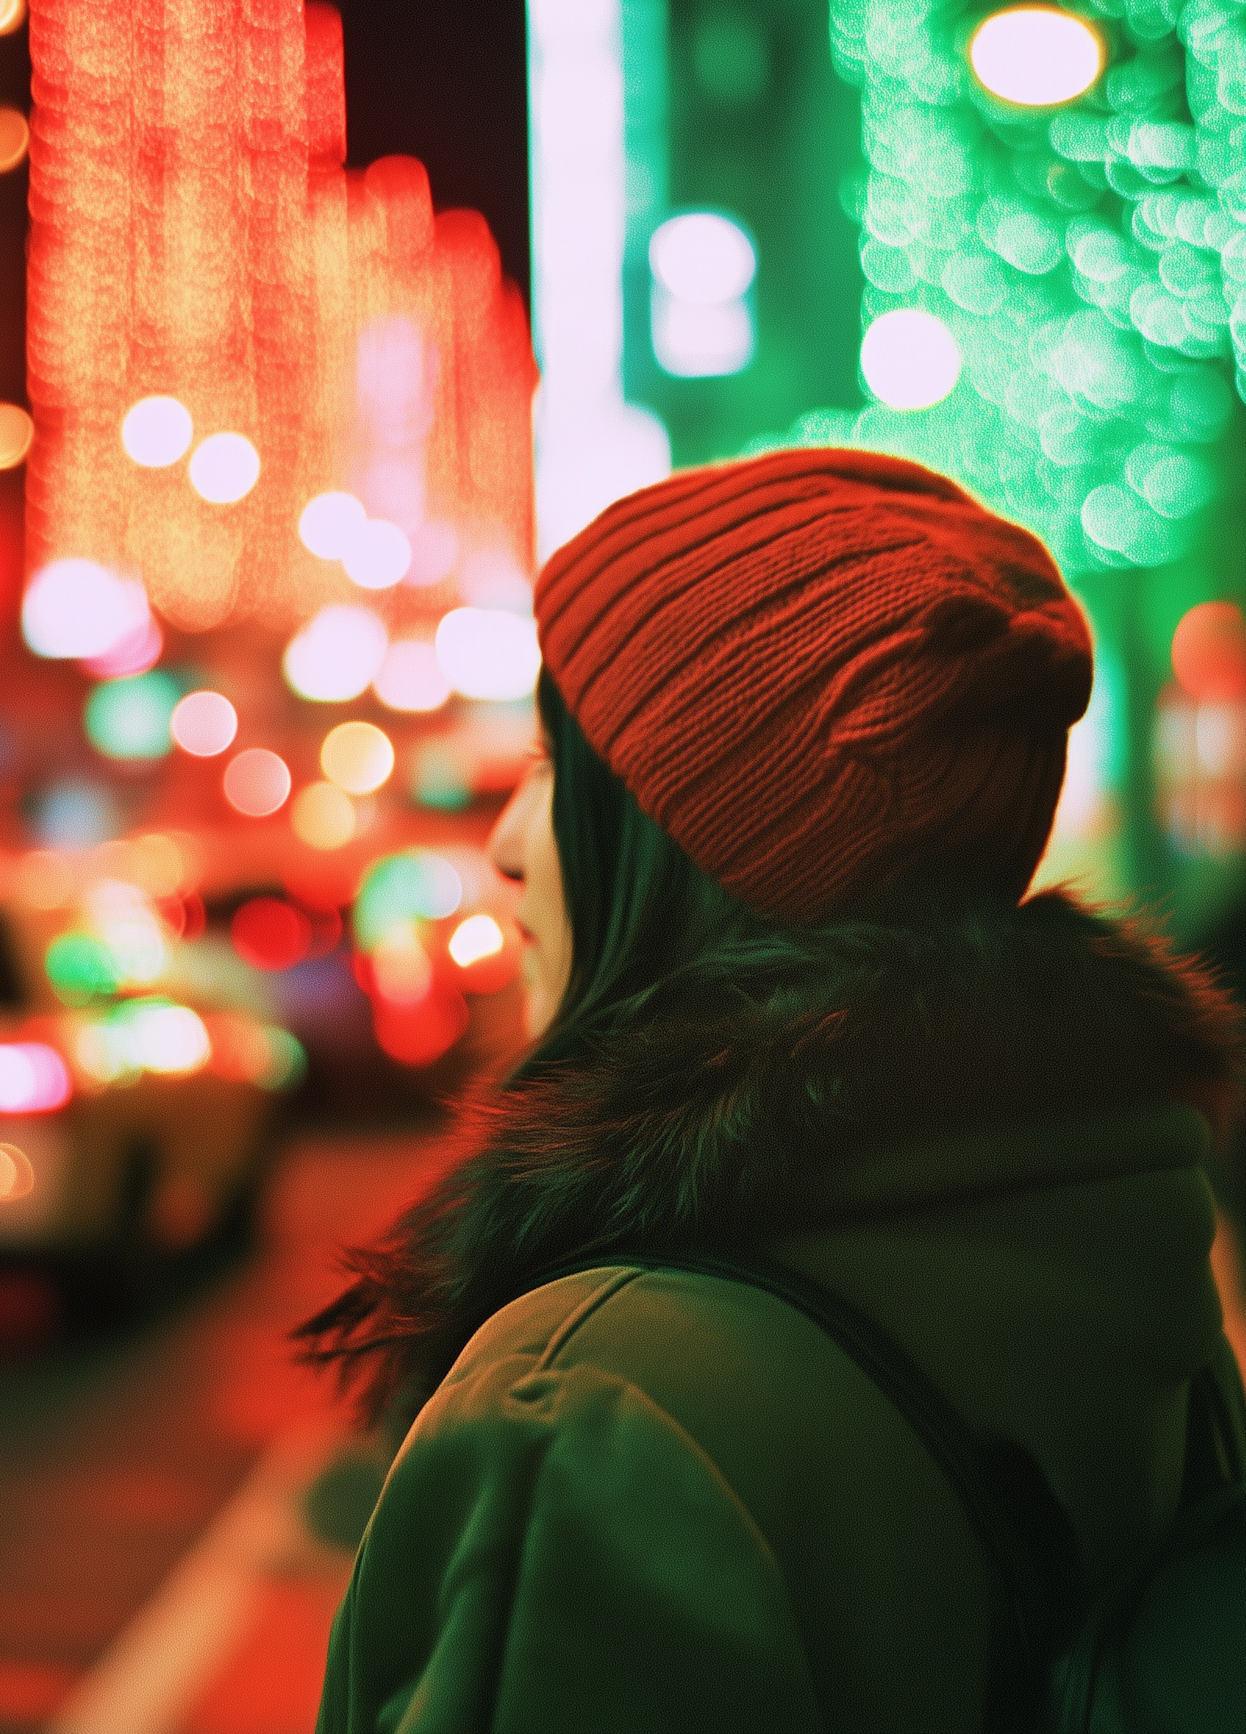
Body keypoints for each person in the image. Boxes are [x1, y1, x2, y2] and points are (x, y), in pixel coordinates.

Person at [300, 448, 1245, 1733]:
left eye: (554, 772)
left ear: (699, 850)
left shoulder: (596, 1401)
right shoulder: (1129, 1261)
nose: (509, 846)